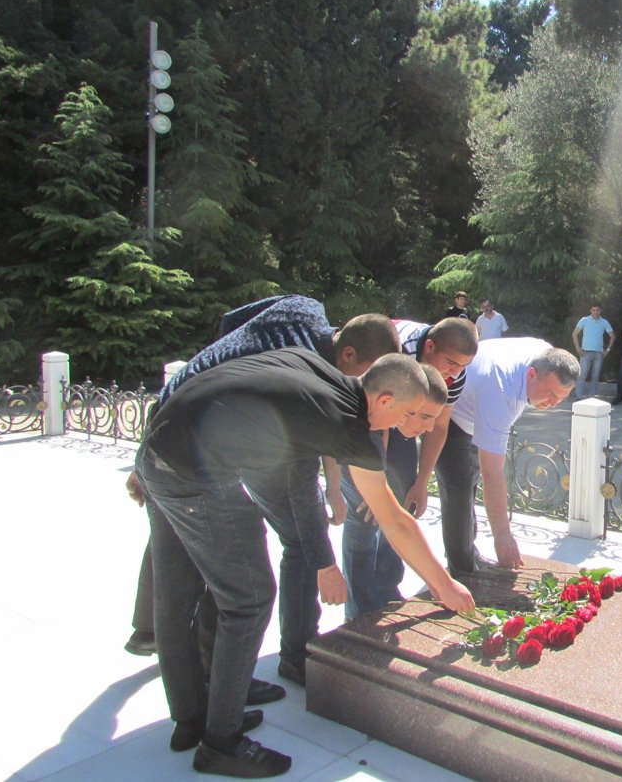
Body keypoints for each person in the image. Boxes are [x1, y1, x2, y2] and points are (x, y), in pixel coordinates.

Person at [137, 350, 475, 776]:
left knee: (182, 595)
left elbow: (293, 468)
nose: (412, 427)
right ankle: (219, 743)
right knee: (249, 597)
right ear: (385, 401)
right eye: (410, 413)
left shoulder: (325, 379)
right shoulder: (348, 426)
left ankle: (194, 721)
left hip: (157, 450)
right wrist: (444, 585)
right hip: (190, 476)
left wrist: (319, 557)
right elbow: (394, 520)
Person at [125, 295, 399, 700]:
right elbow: (302, 485)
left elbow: (229, 322)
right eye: (364, 377)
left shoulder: (306, 309)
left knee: (186, 555)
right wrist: (325, 562)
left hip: (186, 429)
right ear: (347, 352)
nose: (365, 389)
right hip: (191, 440)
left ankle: (199, 675)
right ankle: (287, 658)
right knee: (278, 554)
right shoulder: (309, 376)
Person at [340, 317, 479, 618]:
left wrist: (421, 482)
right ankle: (360, 608)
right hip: (370, 414)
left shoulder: (455, 376)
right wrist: (374, 478)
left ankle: (387, 589)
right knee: (365, 510)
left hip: (400, 412)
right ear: (429, 347)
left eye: (462, 367)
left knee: (401, 497)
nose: (454, 372)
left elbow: (438, 426)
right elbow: (380, 418)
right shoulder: (399, 355)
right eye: (451, 363)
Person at [433, 339, 579, 574]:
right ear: (532, 374)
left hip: (479, 399)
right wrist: (503, 537)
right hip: (451, 414)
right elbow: (492, 473)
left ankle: (469, 553)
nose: (552, 404)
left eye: (561, 398)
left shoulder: (546, 354)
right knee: (459, 489)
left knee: (470, 481)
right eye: (550, 395)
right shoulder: (501, 391)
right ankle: (463, 572)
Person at [571, 302, 614, 399]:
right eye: (593, 310)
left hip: (599, 353)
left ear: (600, 310)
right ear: (591, 310)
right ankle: (578, 395)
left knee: (595, 375)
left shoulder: (604, 322)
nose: (595, 312)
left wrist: (607, 350)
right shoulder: (584, 320)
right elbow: (574, 334)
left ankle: (592, 396)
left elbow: (612, 336)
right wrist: (577, 348)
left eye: (597, 310)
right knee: (583, 374)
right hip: (585, 351)